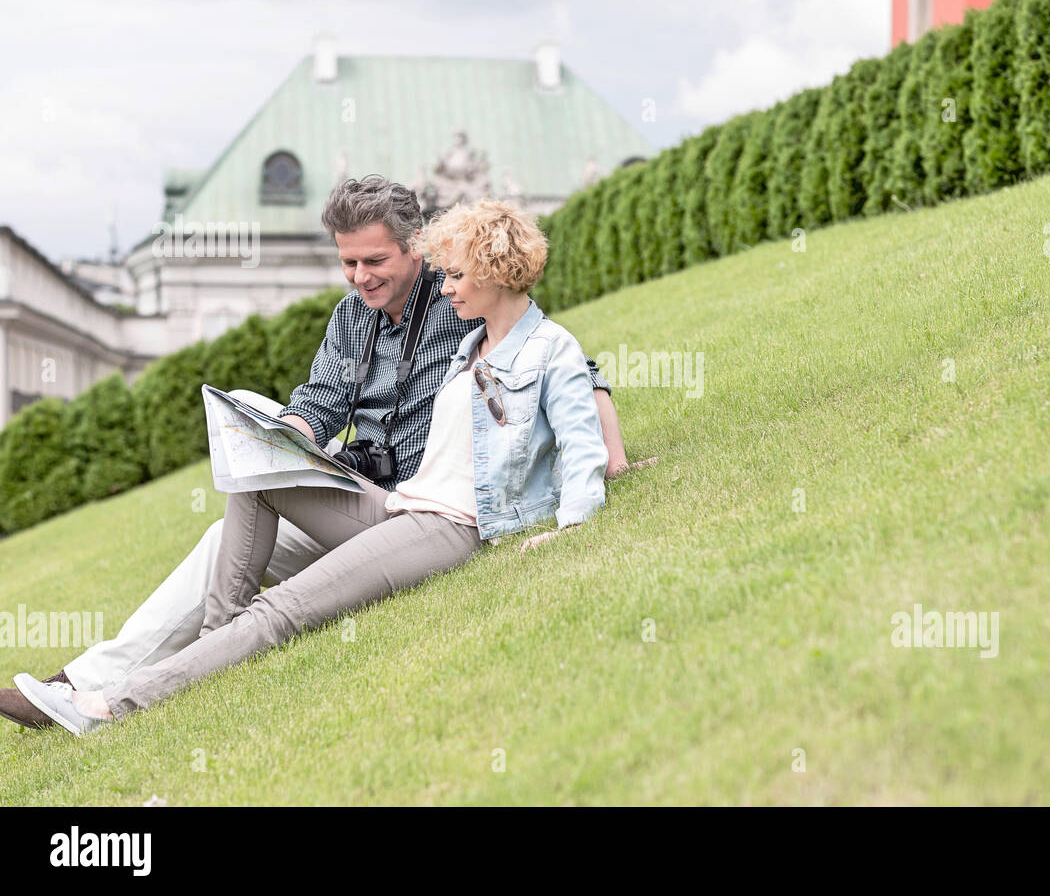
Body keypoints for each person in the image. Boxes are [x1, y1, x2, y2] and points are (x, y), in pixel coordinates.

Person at [0, 177, 644, 729]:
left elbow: (571, 374)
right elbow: (320, 400)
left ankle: (137, 691)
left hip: (429, 517)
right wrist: (288, 432)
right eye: (348, 263)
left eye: (374, 261)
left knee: (271, 599)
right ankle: (79, 681)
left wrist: (609, 465)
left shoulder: (464, 309)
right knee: (228, 520)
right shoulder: (356, 318)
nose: (360, 277)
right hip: (368, 496)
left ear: (416, 250)